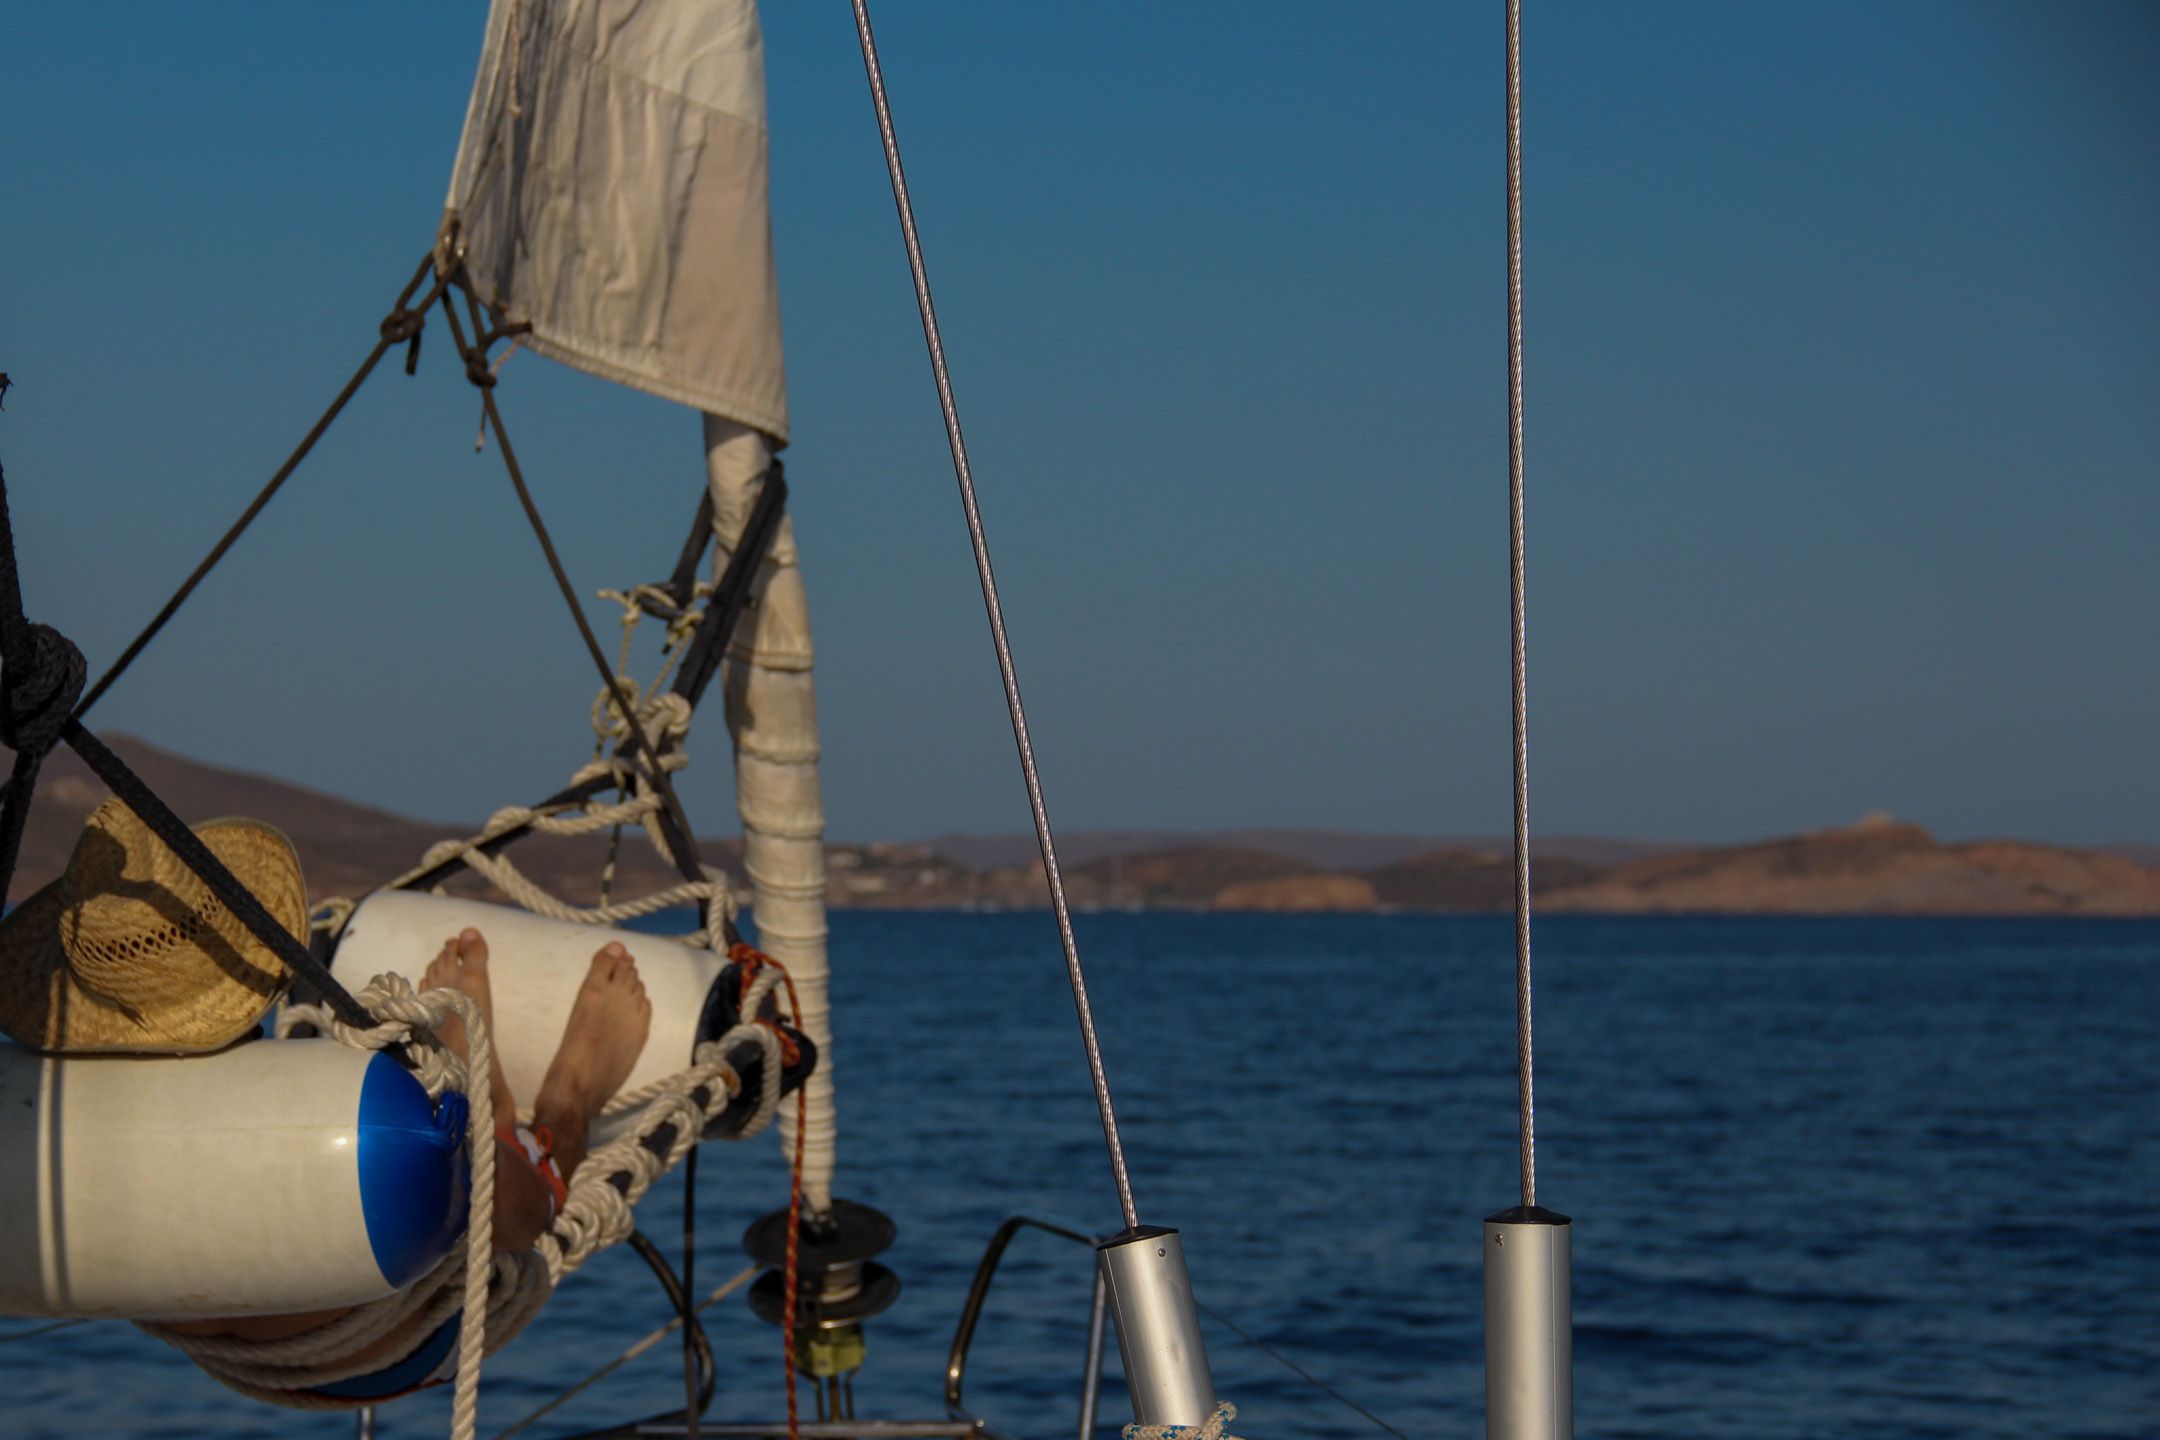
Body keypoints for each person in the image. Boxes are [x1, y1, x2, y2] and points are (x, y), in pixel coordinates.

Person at [160, 926, 654, 1399]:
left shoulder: (92, 1112)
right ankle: (567, 1104)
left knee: (446, 1178)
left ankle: (480, 1109)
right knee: (499, 1196)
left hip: (223, 1353)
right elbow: (515, 1223)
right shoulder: (366, 1159)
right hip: (396, 1351)